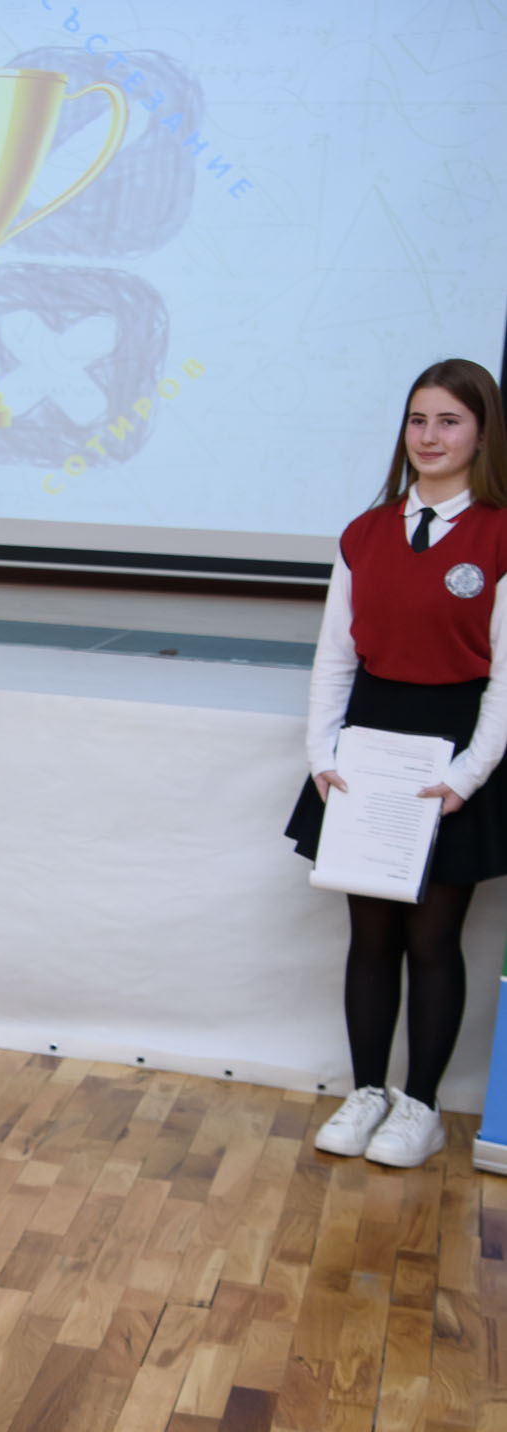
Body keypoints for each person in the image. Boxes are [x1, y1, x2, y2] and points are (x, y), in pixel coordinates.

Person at [288, 357, 507, 1167]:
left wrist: (465, 776)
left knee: (434, 938)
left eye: (448, 421)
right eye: (418, 420)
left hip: (452, 751)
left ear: (481, 433)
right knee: (369, 932)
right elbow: (334, 656)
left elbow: (505, 680)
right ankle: (366, 1092)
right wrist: (322, 754)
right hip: (368, 744)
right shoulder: (365, 532)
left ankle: (419, 1105)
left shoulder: (498, 534)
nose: (429, 436)